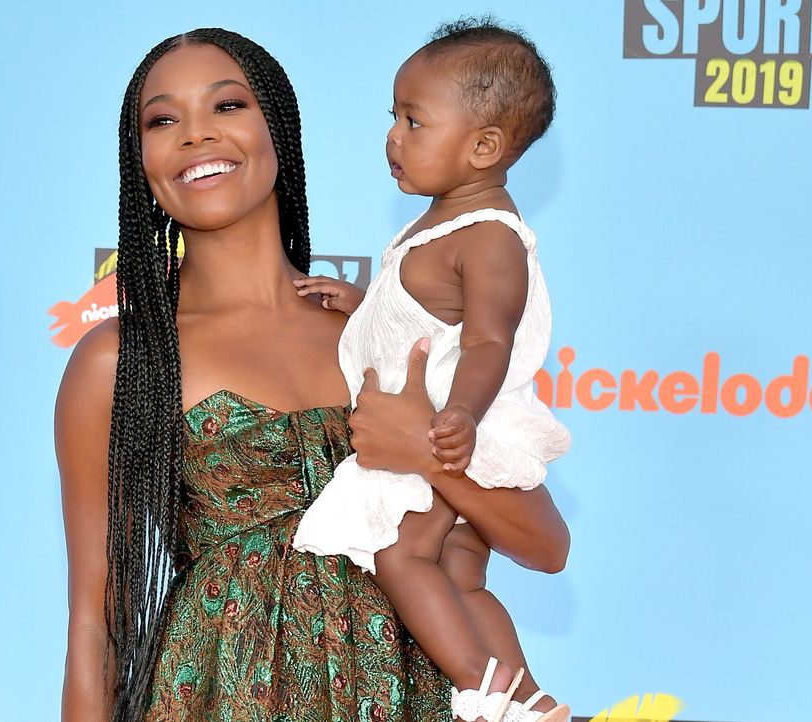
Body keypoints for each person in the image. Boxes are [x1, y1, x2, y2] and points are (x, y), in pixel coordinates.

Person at [56, 27, 570, 722]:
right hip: (216, 695)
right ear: (139, 156)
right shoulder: (120, 360)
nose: (194, 136)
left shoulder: (381, 338)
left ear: (279, 128)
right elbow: (97, 620)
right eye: (162, 119)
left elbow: (545, 546)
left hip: (405, 692)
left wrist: (421, 448)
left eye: (227, 106)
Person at [290, 18, 572, 722]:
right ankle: (529, 698)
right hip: (444, 425)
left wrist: (460, 421)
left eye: (414, 121)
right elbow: (428, 318)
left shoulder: (489, 237)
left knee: (402, 559)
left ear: (484, 147)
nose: (394, 136)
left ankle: (484, 689)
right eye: (394, 116)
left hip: (452, 429)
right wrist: (363, 307)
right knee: (462, 579)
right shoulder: (444, 220)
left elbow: (487, 345)